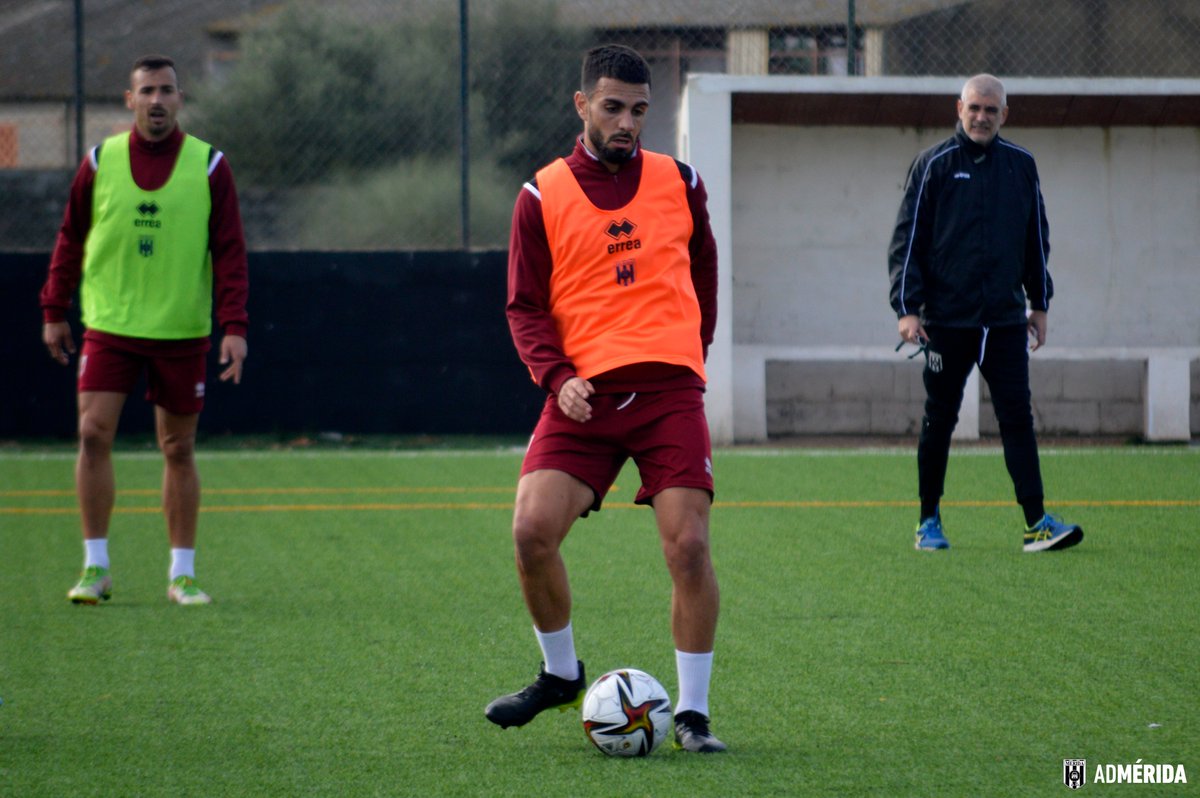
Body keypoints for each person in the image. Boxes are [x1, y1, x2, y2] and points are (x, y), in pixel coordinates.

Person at [486, 44, 725, 753]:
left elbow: (704, 275)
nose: (627, 122)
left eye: (640, 110)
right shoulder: (540, 194)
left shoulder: (680, 181)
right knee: (530, 532)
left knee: (688, 548)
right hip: (581, 398)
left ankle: (692, 714)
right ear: (582, 104)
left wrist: (687, 354)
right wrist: (559, 378)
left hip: (668, 392)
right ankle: (561, 675)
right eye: (614, 107)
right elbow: (523, 307)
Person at [40, 54, 249, 605]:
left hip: (180, 330)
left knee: (178, 448)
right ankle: (96, 567)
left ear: (180, 99)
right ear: (129, 101)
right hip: (110, 324)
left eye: (167, 90)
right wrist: (53, 309)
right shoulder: (98, 161)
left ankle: (182, 574)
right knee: (91, 434)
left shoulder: (209, 166)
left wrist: (235, 325)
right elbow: (70, 238)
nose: (157, 100)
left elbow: (229, 252)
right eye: (147, 91)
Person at [888, 73, 1083, 554]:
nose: (981, 117)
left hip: (1004, 321)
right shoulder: (932, 164)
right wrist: (908, 308)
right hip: (944, 323)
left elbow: (1036, 238)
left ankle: (1036, 523)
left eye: (990, 110)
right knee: (940, 419)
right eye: (974, 108)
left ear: (1004, 115)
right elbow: (906, 242)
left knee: (1018, 417)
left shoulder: (1022, 165)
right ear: (959, 109)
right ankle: (928, 519)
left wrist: (1040, 303)